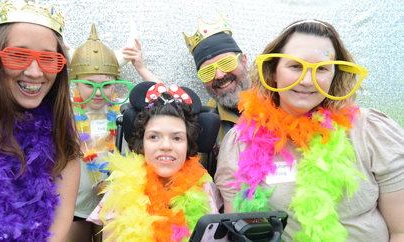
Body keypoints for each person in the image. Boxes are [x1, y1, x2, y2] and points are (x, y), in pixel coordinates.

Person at [215, 19, 404, 241]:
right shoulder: (241, 142)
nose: (306, 80)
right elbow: (238, 231)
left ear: (334, 76)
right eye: (295, 66)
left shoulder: (371, 131)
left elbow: (400, 231)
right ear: (274, 71)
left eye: (321, 68)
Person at [0, 0, 82, 241]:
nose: (34, 72)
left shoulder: (62, 134)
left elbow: (57, 229)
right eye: (18, 56)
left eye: (49, 59)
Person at [87, 82, 222, 241]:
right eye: (154, 137)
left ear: (188, 144)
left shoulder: (203, 188)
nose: (165, 146)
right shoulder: (120, 192)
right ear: (141, 142)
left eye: (177, 138)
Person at [68, 23, 160, 242]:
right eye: (89, 85)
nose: (99, 92)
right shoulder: (66, 110)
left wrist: (140, 67)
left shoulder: (123, 108)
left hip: (113, 203)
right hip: (75, 204)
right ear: (75, 85)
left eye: (107, 85)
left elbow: (168, 98)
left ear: (116, 85)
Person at [183, 12, 250, 146]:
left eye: (227, 63)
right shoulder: (203, 125)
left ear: (244, 61)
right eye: (207, 71)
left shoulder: (280, 99)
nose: (219, 75)